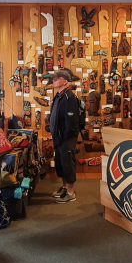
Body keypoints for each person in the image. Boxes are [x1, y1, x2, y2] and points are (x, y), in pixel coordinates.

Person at [49, 69, 80, 203]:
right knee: (60, 163)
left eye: (57, 78)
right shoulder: (58, 96)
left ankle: (71, 193)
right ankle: (65, 187)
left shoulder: (69, 97)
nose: (54, 80)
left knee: (68, 163)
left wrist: (66, 136)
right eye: (54, 78)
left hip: (66, 138)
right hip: (58, 137)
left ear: (65, 81)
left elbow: (71, 121)